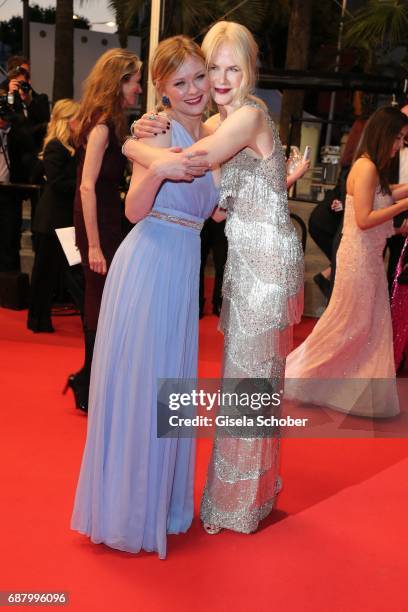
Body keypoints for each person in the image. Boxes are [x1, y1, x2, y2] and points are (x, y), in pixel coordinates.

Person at [124, 21, 304, 536]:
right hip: (244, 257)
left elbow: (194, 162)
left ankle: (238, 505)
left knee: (249, 381)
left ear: (249, 71)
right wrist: (148, 127)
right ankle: (247, 496)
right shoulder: (220, 123)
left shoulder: (246, 117)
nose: (220, 80)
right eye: (214, 68)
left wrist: (131, 148)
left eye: (233, 68)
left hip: (264, 264)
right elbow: (215, 201)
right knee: (246, 381)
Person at [71, 36, 217, 559]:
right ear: (162, 89)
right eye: (180, 83)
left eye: (199, 77)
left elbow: (212, 210)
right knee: (144, 389)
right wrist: (157, 167)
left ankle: (163, 504)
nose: (194, 89)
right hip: (150, 262)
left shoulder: (216, 132)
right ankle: (129, 511)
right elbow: (134, 210)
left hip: (181, 269)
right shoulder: (156, 130)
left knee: (168, 392)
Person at [285, 106, 408, 418]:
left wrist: (395, 226)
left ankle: (340, 387)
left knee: (363, 326)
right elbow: (365, 219)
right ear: (385, 134)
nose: (399, 146)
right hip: (358, 260)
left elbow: (381, 202)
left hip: (368, 258)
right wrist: (403, 207)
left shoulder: (373, 169)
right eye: (399, 138)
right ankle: (296, 376)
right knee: (345, 325)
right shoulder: (366, 167)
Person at [65, 49, 142, 412]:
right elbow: (86, 187)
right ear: (119, 82)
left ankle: (90, 380)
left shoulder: (112, 123)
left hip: (110, 219)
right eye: (135, 80)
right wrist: (94, 245)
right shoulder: (100, 125)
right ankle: (89, 383)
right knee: (99, 297)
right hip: (97, 222)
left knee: (107, 299)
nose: (139, 88)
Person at [27, 99, 84, 333]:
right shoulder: (54, 146)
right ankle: (37, 321)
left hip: (64, 221)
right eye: (78, 118)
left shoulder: (73, 146)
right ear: (68, 121)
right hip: (51, 222)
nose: (82, 122)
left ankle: (88, 321)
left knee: (73, 273)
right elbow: (58, 183)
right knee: (45, 275)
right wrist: (85, 184)